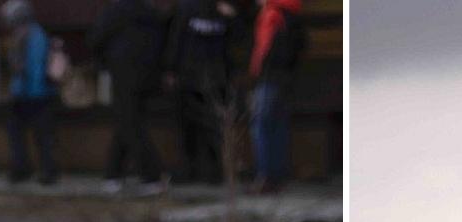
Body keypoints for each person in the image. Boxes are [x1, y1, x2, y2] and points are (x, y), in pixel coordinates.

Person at [88, 0, 170, 194]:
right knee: (127, 121)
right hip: (149, 76)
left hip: (124, 73)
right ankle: (112, 175)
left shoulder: (115, 11)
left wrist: (104, 62)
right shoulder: (152, 13)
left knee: (129, 124)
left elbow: (94, 40)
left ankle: (152, 177)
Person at [166, 0, 241, 185]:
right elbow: (177, 38)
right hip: (202, 78)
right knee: (200, 127)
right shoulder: (194, 8)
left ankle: (206, 171)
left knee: (204, 128)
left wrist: (171, 69)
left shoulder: (214, 9)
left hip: (204, 78)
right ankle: (204, 171)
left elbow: (177, 39)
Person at [246, 0, 304, 194]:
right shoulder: (292, 13)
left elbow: (264, 49)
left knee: (260, 126)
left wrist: (259, 72)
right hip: (286, 78)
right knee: (279, 125)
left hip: (270, 78)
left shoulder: (271, 14)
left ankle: (264, 177)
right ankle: (278, 176)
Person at [1, 0, 59, 184]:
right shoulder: (37, 35)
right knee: (40, 136)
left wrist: (23, 88)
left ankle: (28, 169)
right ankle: (40, 169)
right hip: (36, 93)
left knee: (27, 134)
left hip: (31, 94)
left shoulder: (29, 37)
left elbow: (31, 68)